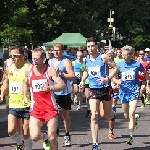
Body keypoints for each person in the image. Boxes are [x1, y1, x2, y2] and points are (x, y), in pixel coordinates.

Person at [79, 37, 118, 150]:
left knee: (107, 114)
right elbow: (86, 71)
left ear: (96, 46)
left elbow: (116, 68)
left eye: (92, 46)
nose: (90, 48)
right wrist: (82, 81)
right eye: (88, 46)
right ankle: (95, 143)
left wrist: (108, 78)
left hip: (105, 89)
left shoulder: (103, 57)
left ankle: (112, 115)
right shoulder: (86, 59)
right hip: (93, 89)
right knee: (94, 115)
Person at [23, 47, 66, 150]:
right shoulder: (29, 70)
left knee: (52, 138)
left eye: (37, 59)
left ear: (43, 58)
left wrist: (50, 88)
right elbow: (26, 84)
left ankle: (50, 141)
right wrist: (25, 96)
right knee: (34, 136)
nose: (35, 61)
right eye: (33, 59)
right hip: (36, 108)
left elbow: (62, 85)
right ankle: (44, 137)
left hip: (50, 107)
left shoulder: (49, 70)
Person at [113, 45, 150, 145]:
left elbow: (146, 74)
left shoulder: (137, 65)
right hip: (124, 92)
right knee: (126, 116)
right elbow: (112, 76)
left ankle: (130, 136)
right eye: (122, 54)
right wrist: (117, 81)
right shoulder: (119, 65)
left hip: (134, 91)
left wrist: (147, 85)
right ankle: (135, 117)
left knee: (131, 112)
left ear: (130, 55)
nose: (123, 56)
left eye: (124, 55)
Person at [0, 46, 32, 150]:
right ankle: (19, 143)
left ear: (22, 56)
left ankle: (29, 148)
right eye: (11, 56)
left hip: (27, 103)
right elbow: (6, 83)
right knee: (11, 130)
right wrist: (1, 94)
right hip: (13, 104)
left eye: (15, 56)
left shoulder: (29, 68)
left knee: (26, 131)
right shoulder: (9, 69)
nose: (12, 58)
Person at [49, 43, 75, 146]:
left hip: (64, 92)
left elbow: (72, 76)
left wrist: (61, 73)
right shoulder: (50, 61)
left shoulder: (66, 61)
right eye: (54, 50)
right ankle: (55, 129)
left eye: (58, 50)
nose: (55, 52)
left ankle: (67, 134)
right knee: (52, 114)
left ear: (62, 51)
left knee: (65, 116)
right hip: (53, 91)